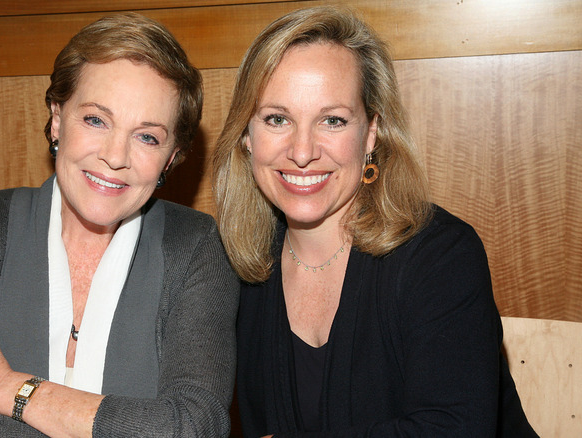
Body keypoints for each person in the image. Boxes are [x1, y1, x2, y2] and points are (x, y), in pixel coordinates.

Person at [0, 13, 239, 437]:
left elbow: (193, 427)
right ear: (58, 118)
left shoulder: (197, 247)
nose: (116, 156)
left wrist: (3, 385)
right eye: (96, 120)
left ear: (171, 158)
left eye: (147, 137)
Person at [213, 6, 536, 437]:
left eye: (332, 120)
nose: (303, 150)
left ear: (370, 133)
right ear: (246, 137)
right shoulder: (231, 266)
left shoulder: (442, 256)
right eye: (277, 118)